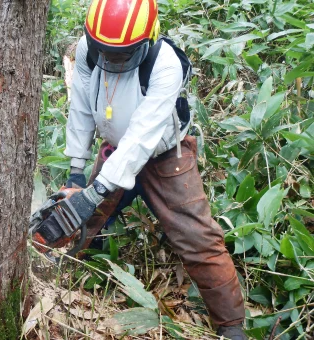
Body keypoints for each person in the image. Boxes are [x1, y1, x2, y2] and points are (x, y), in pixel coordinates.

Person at [62, 0, 247, 339]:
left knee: (197, 237)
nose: (112, 60)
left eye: (122, 55)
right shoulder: (91, 50)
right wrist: (77, 170)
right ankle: (78, 270)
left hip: (164, 157)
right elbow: (81, 105)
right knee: (86, 218)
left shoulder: (165, 65)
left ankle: (232, 327)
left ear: (148, 39)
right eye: (106, 52)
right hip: (115, 152)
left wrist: (98, 187)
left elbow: (140, 138)